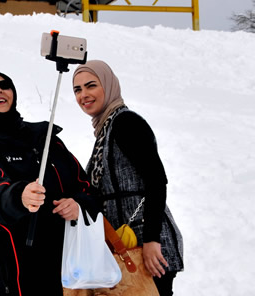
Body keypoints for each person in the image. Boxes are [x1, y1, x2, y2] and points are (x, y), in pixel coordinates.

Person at [0, 69, 100, 296]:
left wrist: (78, 205)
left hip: (64, 274)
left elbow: (85, 187)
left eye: (4, 85)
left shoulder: (43, 137)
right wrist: (17, 196)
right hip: (8, 278)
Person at [72, 60, 184, 295]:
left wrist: (152, 240)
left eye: (91, 86)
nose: (84, 95)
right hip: (126, 245)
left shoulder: (126, 123)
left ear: (109, 86)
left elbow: (156, 181)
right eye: (77, 89)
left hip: (146, 245)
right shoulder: (105, 129)